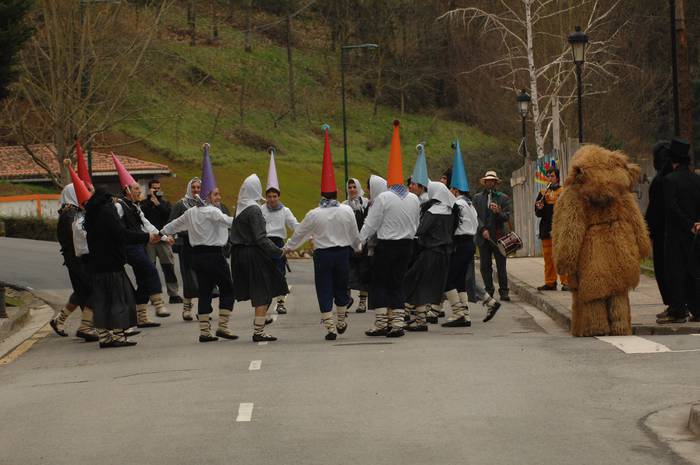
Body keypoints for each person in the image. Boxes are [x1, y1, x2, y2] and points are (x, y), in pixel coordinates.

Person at [285, 129, 362, 340]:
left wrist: (289, 247)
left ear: (321, 194)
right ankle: (341, 318)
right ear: (336, 193)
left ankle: (329, 325)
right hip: (342, 254)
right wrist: (358, 246)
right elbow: (354, 233)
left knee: (324, 288)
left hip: (323, 255)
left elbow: (300, 233)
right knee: (341, 286)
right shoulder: (346, 210)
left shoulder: (314, 214)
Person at [360, 120, 420, 338]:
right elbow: (416, 223)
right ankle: (397, 323)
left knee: (380, 283)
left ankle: (381, 322)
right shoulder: (413, 198)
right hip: (406, 245)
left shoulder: (384, 198)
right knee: (397, 282)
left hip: (387, 246)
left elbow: (371, 224)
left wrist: (359, 240)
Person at [84, 187, 160, 348]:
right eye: (112, 199)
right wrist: (146, 237)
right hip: (112, 265)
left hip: (96, 265)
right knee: (119, 300)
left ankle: (104, 337)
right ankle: (118, 335)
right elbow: (122, 234)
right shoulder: (107, 212)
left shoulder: (91, 214)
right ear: (107, 199)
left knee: (103, 301)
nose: (114, 202)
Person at [161, 186, 238, 342]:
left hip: (197, 256)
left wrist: (160, 233)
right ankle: (223, 327)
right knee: (228, 288)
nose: (219, 197)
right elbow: (230, 222)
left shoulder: (190, 212)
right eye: (216, 194)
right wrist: (242, 214)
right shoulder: (212, 211)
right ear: (207, 197)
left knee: (204, 291)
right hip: (214, 255)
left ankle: (204, 331)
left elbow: (173, 225)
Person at [231, 174, 288, 342]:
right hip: (253, 254)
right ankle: (259, 331)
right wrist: (278, 251)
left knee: (259, 290)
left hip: (239, 253)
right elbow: (260, 238)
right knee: (262, 291)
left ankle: (259, 327)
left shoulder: (240, 207)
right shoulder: (254, 209)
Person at [49, 173, 98, 342]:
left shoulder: (74, 211)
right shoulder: (69, 215)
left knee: (81, 291)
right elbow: (77, 239)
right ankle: (86, 326)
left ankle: (59, 320)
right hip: (77, 259)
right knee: (92, 288)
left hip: (76, 258)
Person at [658, 138, 700, 324]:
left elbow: (672, 208)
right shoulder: (696, 179)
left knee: (675, 272)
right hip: (696, 233)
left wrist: (687, 223)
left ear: (673, 161)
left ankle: (677, 310)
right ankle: (697, 309)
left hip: (676, 234)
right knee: (694, 271)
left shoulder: (669, 180)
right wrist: (696, 223)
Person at [404, 182, 455, 332]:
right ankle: (420, 318)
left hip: (430, 252)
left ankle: (418, 320)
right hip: (444, 253)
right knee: (426, 285)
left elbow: (420, 230)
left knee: (415, 281)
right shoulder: (450, 211)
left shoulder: (433, 212)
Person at [261, 151, 299, 315]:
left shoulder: (285, 210)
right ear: (266, 197)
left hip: (278, 243)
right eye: (269, 196)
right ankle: (266, 300)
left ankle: (281, 302)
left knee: (279, 273)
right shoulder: (260, 210)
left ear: (278, 196)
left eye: (274, 196)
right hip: (264, 243)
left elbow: (295, 225)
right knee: (265, 274)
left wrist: (302, 235)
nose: (272, 199)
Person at [141, 179, 182, 304]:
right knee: (150, 268)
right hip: (150, 240)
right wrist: (150, 202)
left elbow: (169, 216)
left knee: (168, 267)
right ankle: (153, 295)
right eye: (154, 188)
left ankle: (173, 293)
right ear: (149, 189)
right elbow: (142, 220)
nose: (156, 190)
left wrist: (158, 204)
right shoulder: (143, 204)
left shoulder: (164, 203)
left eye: (158, 188)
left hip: (164, 239)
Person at [473, 170, 512, 301]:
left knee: (501, 266)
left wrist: (498, 211)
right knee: (485, 266)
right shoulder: (477, 198)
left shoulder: (503, 198)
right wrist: (482, 229)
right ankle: (489, 289)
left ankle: (504, 291)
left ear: (496, 182)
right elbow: (475, 216)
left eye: (492, 181)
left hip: (499, 237)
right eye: (488, 180)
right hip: (483, 237)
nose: (490, 183)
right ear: (485, 182)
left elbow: (506, 217)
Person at [169, 178, 202, 321]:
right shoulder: (180, 205)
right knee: (189, 277)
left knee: (203, 277)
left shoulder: (204, 204)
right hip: (186, 245)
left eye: (198, 187)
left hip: (202, 246)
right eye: (193, 187)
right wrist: (187, 231)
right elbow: (172, 224)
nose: (196, 190)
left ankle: (203, 309)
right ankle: (187, 308)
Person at [645, 141, 672, 313]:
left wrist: (648, 230)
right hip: (684, 231)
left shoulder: (660, 181)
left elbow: (654, 210)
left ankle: (673, 304)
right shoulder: (679, 177)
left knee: (663, 269)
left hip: (662, 233)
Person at [534, 166, 569, 291]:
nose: (550, 178)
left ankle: (566, 282)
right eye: (548, 176)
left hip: (560, 228)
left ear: (557, 178)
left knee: (562, 256)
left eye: (552, 176)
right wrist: (540, 207)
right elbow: (538, 214)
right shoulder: (543, 193)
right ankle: (550, 282)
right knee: (548, 257)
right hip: (546, 227)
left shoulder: (564, 192)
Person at [343, 177, 369, 312]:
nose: (352, 189)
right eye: (349, 187)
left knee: (363, 272)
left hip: (363, 242)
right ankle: (346, 299)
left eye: (354, 187)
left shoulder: (366, 203)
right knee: (347, 271)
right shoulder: (344, 205)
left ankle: (363, 302)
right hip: (348, 243)